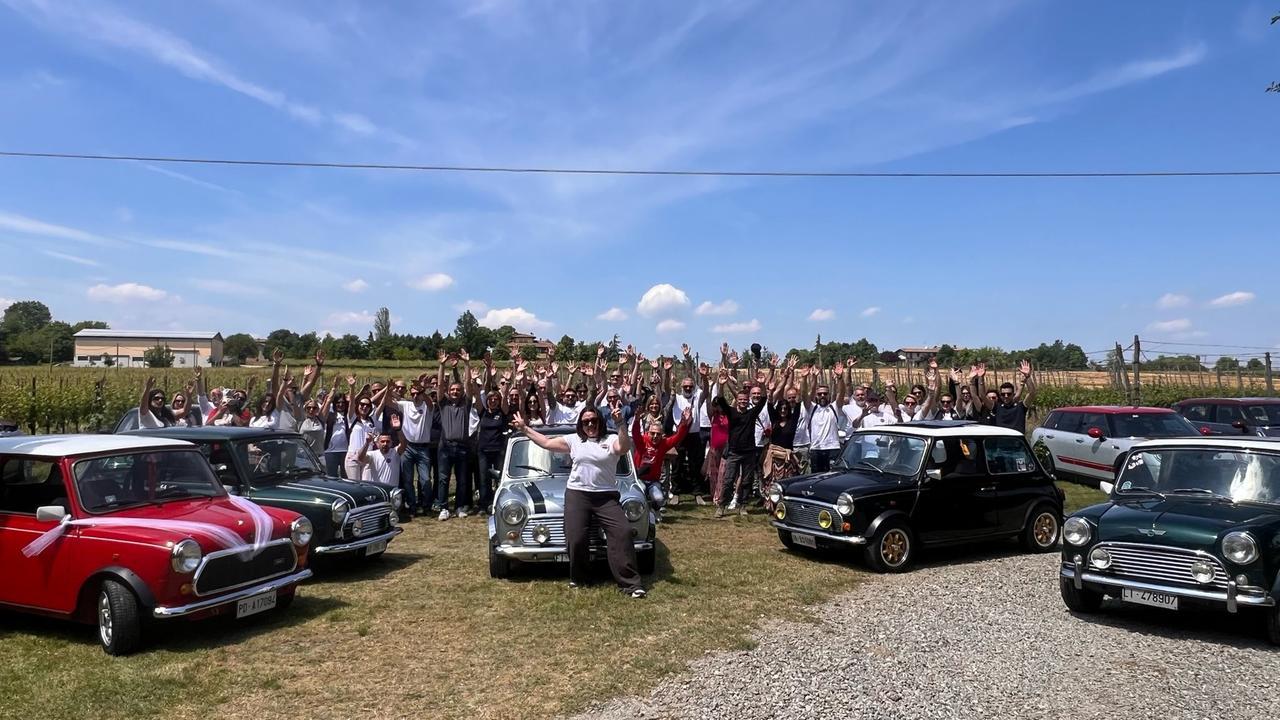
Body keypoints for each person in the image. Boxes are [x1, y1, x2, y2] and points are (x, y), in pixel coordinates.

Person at [511, 405, 645, 597]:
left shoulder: (610, 439)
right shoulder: (574, 440)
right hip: (578, 494)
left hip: (606, 496)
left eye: (594, 420)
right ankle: (580, 578)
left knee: (622, 532)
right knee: (576, 538)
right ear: (580, 425)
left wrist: (620, 423)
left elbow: (623, 448)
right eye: (585, 422)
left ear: (600, 421)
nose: (590, 424)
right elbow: (547, 443)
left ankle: (631, 584)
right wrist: (525, 429)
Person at [712, 385, 768, 518]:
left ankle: (743, 505)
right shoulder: (731, 412)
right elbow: (720, 399)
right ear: (737, 400)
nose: (743, 402)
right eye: (741, 399)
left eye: (745, 400)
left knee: (747, 481)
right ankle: (722, 506)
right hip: (734, 452)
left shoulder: (752, 413)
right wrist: (722, 384)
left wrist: (762, 384)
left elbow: (763, 399)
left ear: (748, 401)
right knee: (728, 480)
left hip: (749, 453)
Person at [398, 366, 442, 517]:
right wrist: (390, 388)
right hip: (408, 447)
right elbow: (390, 400)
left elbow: (429, 402)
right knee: (408, 480)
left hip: (423, 448)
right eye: (413, 394)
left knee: (425, 480)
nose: (416, 396)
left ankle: (426, 505)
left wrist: (421, 388)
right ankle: (412, 506)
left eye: (418, 394)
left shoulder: (428, 406)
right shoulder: (405, 405)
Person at [435, 352, 474, 520]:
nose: (455, 392)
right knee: (443, 479)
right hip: (445, 447)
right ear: (448, 392)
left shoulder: (466, 404)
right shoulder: (443, 404)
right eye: (452, 389)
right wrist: (442, 365)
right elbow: (439, 385)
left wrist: (467, 363)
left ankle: (459, 507)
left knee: (462, 480)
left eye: (458, 390)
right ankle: (444, 508)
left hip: (462, 447)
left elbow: (468, 384)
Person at [988, 359, 1036, 433]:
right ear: (1000, 395)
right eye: (1003, 394)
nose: (1006, 396)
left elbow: (1032, 393)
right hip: (1001, 439)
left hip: (1017, 440)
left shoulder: (1020, 407)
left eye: (1009, 394)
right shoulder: (997, 408)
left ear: (1013, 394)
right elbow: (981, 395)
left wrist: (1027, 377)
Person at [359, 429, 407, 497]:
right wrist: (367, 443)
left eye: (388, 441)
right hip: (376, 492)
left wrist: (398, 429)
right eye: (382, 441)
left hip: (392, 493)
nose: (385, 444)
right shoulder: (372, 454)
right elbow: (360, 458)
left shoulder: (395, 452)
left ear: (391, 443)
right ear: (378, 443)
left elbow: (404, 444)